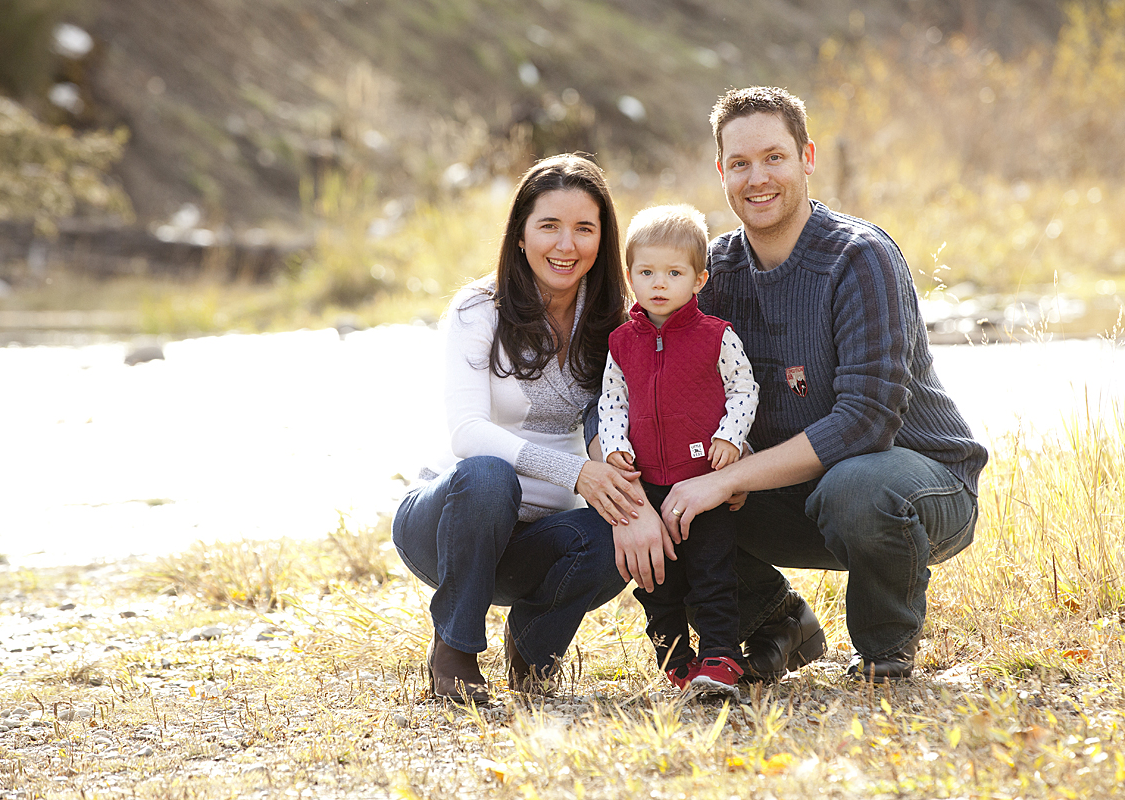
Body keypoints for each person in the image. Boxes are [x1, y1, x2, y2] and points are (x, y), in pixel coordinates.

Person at [646, 86, 988, 682]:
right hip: (794, 493)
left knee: (858, 485)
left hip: (915, 484)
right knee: (668, 493)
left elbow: (865, 422)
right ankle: (776, 622)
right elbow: (645, 374)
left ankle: (885, 651)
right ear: (721, 171)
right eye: (741, 163)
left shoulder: (860, 259)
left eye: (774, 157)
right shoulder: (712, 274)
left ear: (807, 157)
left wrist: (726, 478)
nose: (758, 178)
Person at [392, 153, 650, 703]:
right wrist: (577, 473)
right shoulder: (477, 309)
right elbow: (467, 432)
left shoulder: (615, 322)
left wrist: (629, 495)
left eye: (584, 228)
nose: (566, 244)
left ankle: (533, 651)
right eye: (549, 226)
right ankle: (455, 651)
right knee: (488, 475)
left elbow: (617, 423)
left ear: (603, 240)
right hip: (450, 522)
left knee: (620, 531)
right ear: (520, 235)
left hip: (540, 538)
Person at [597, 205, 758, 697]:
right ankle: (675, 661)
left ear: (699, 278)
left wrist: (730, 437)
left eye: (673, 272)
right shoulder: (622, 342)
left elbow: (744, 390)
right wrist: (615, 449)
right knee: (656, 580)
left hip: (701, 482)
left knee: (711, 573)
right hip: (648, 483)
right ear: (630, 277)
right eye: (646, 273)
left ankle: (721, 658)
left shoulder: (716, 336)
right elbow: (612, 401)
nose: (659, 283)